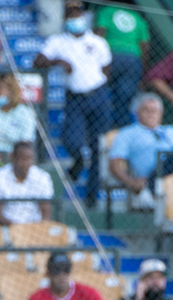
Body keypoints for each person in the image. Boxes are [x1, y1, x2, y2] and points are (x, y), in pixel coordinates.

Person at [34, 1, 112, 206]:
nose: (75, 19)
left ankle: (92, 197)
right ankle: (77, 162)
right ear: (65, 19)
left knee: (98, 146)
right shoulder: (57, 42)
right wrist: (57, 61)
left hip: (98, 95)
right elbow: (38, 61)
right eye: (71, 15)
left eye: (78, 15)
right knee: (72, 140)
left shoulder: (98, 42)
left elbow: (106, 69)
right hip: (75, 98)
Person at [108, 92, 173, 209]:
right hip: (154, 173)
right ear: (137, 113)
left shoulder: (170, 131)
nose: (151, 114)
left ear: (161, 114)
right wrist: (131, 183)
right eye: (146, 110)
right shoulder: (127, 133)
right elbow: (114, 163)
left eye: (155, 111)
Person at [94, 2, 149, 128]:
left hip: (110, 56)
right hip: (133, 60)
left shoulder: (106, 11)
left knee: (104, 95)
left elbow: (99, 34)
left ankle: (104, 131)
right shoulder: (138, 18)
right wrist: (144, 72)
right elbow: (145, 47)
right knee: (124, 101)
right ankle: (121, 131)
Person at [27, 252, 111, 300]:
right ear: (48, 274)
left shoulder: (89, 294)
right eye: (57, 270)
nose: (62, 275)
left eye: (66, 270)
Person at [0, 141, 53, 225]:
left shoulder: (42, 177)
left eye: (29, 159)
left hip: (35, 229)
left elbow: (46, 212)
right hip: (5, 228)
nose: (26, 164)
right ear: (13, 158)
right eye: (23, 159)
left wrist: (40, 228)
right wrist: (18, 229)